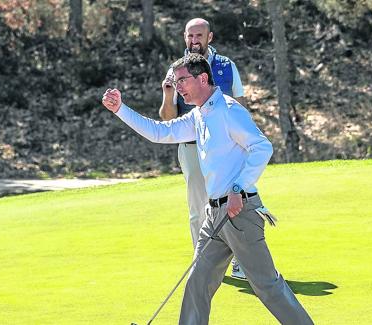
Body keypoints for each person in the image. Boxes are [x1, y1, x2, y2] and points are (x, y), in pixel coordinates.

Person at [102, 53, 313, 325]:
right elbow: (159, 132)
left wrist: (239, 187)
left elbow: (262, 147)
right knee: (197, 283)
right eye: (176, 82)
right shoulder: (198, 115)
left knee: (266, 286)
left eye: (182, 81)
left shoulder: (228, 109)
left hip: (240, 211)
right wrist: (120, 109)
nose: (178, 87)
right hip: (214, 215)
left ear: (203, 78)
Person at [160, 17, 247, 280]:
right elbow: (168, 119)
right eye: (190, 36)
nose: (194, 41)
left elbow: (240, 107)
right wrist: (167, 93)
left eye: (199, 36)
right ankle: (203, 261)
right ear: (184, 38)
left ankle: (239, 261)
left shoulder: (226, 66)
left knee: (233, 202)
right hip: (191, 147)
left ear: (210, 37)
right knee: (199, 207)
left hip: (226, 148)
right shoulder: (177, 71)